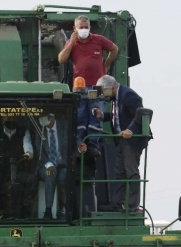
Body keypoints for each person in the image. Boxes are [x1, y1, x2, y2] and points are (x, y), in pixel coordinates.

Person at [58, 15, 119, 158]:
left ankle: (92, 146)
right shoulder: (71, 42)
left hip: (97, 86)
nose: (84, 30)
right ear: (75, 28)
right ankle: (79, 145)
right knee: (79, 116)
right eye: (81, 27)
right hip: (79, 88)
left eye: (86, 27)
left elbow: (114, 49)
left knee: (95, 116)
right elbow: (61, 59)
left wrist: (106, 64)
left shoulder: (98, 39)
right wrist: (72, 42)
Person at [92, 75, 151, 213]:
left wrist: (130, 130)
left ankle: (133, 206)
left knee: (131, 172)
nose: (102, 94)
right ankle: (117, 203)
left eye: (103, 90)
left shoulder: (128, 95)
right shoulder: (115, 97)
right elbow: (117, 115)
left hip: (132, 139)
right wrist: (103, 116)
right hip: (121, 140)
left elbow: (141, 114)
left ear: (111, 88)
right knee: (119, 172)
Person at [0, 116, 36, 216]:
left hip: (18, 170)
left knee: (32, 180)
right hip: (1, 170)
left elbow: (28, 147)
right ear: (2, 119)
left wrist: (28, 153)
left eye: (13, 118)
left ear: (17, 119)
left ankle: (25, 207)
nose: (10, 120)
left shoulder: (24, 132)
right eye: (7, 118)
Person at [35, 113, 67, 219]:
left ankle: (62, 208)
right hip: (45, 165)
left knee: (63, 176)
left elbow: (70, 146)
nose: (41, 120)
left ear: (52, 117)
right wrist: (48, 164)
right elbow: (38, 151)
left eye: (44, 117)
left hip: (63, 164)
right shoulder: (39, 130)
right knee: (50, 174)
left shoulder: (65, 126)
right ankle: (48, 210)